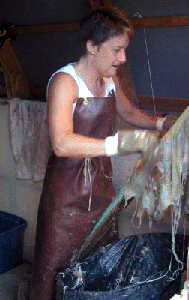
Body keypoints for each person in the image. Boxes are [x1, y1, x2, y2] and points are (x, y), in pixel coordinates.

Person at [30, 7, 176, 300]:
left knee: (97, 265)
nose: (122, 59)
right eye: (116, 50)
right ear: (92, 46)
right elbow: (62, 143)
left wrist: (163, 123)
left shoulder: (110, 80)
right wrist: (119, 145)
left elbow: (129, 112)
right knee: (53, 269)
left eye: (124, 50)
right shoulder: (65, 82)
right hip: (66, 198)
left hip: (101, 191)